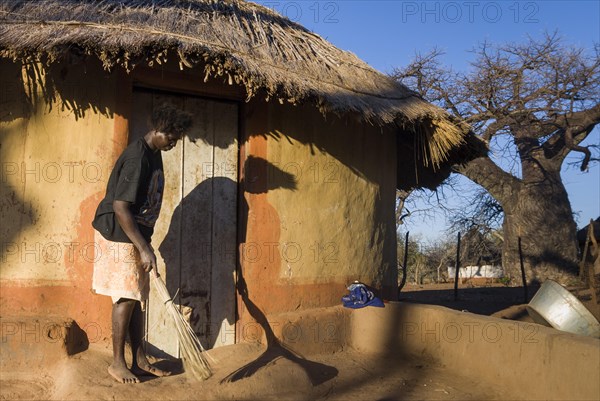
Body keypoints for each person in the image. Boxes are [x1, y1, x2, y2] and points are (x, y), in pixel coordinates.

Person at [91, 103, 193, 384]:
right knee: (125, 295)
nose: (173, 143)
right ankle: (117, 363)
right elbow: (121, 207)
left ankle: (139, 359)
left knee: (136, 296)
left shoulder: (154, 153)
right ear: (158, 129)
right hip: (118, 233)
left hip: (135, 235)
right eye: (171, 137)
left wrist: (145, 244)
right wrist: (145, 249)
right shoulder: (138, 158)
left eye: (176, 139)